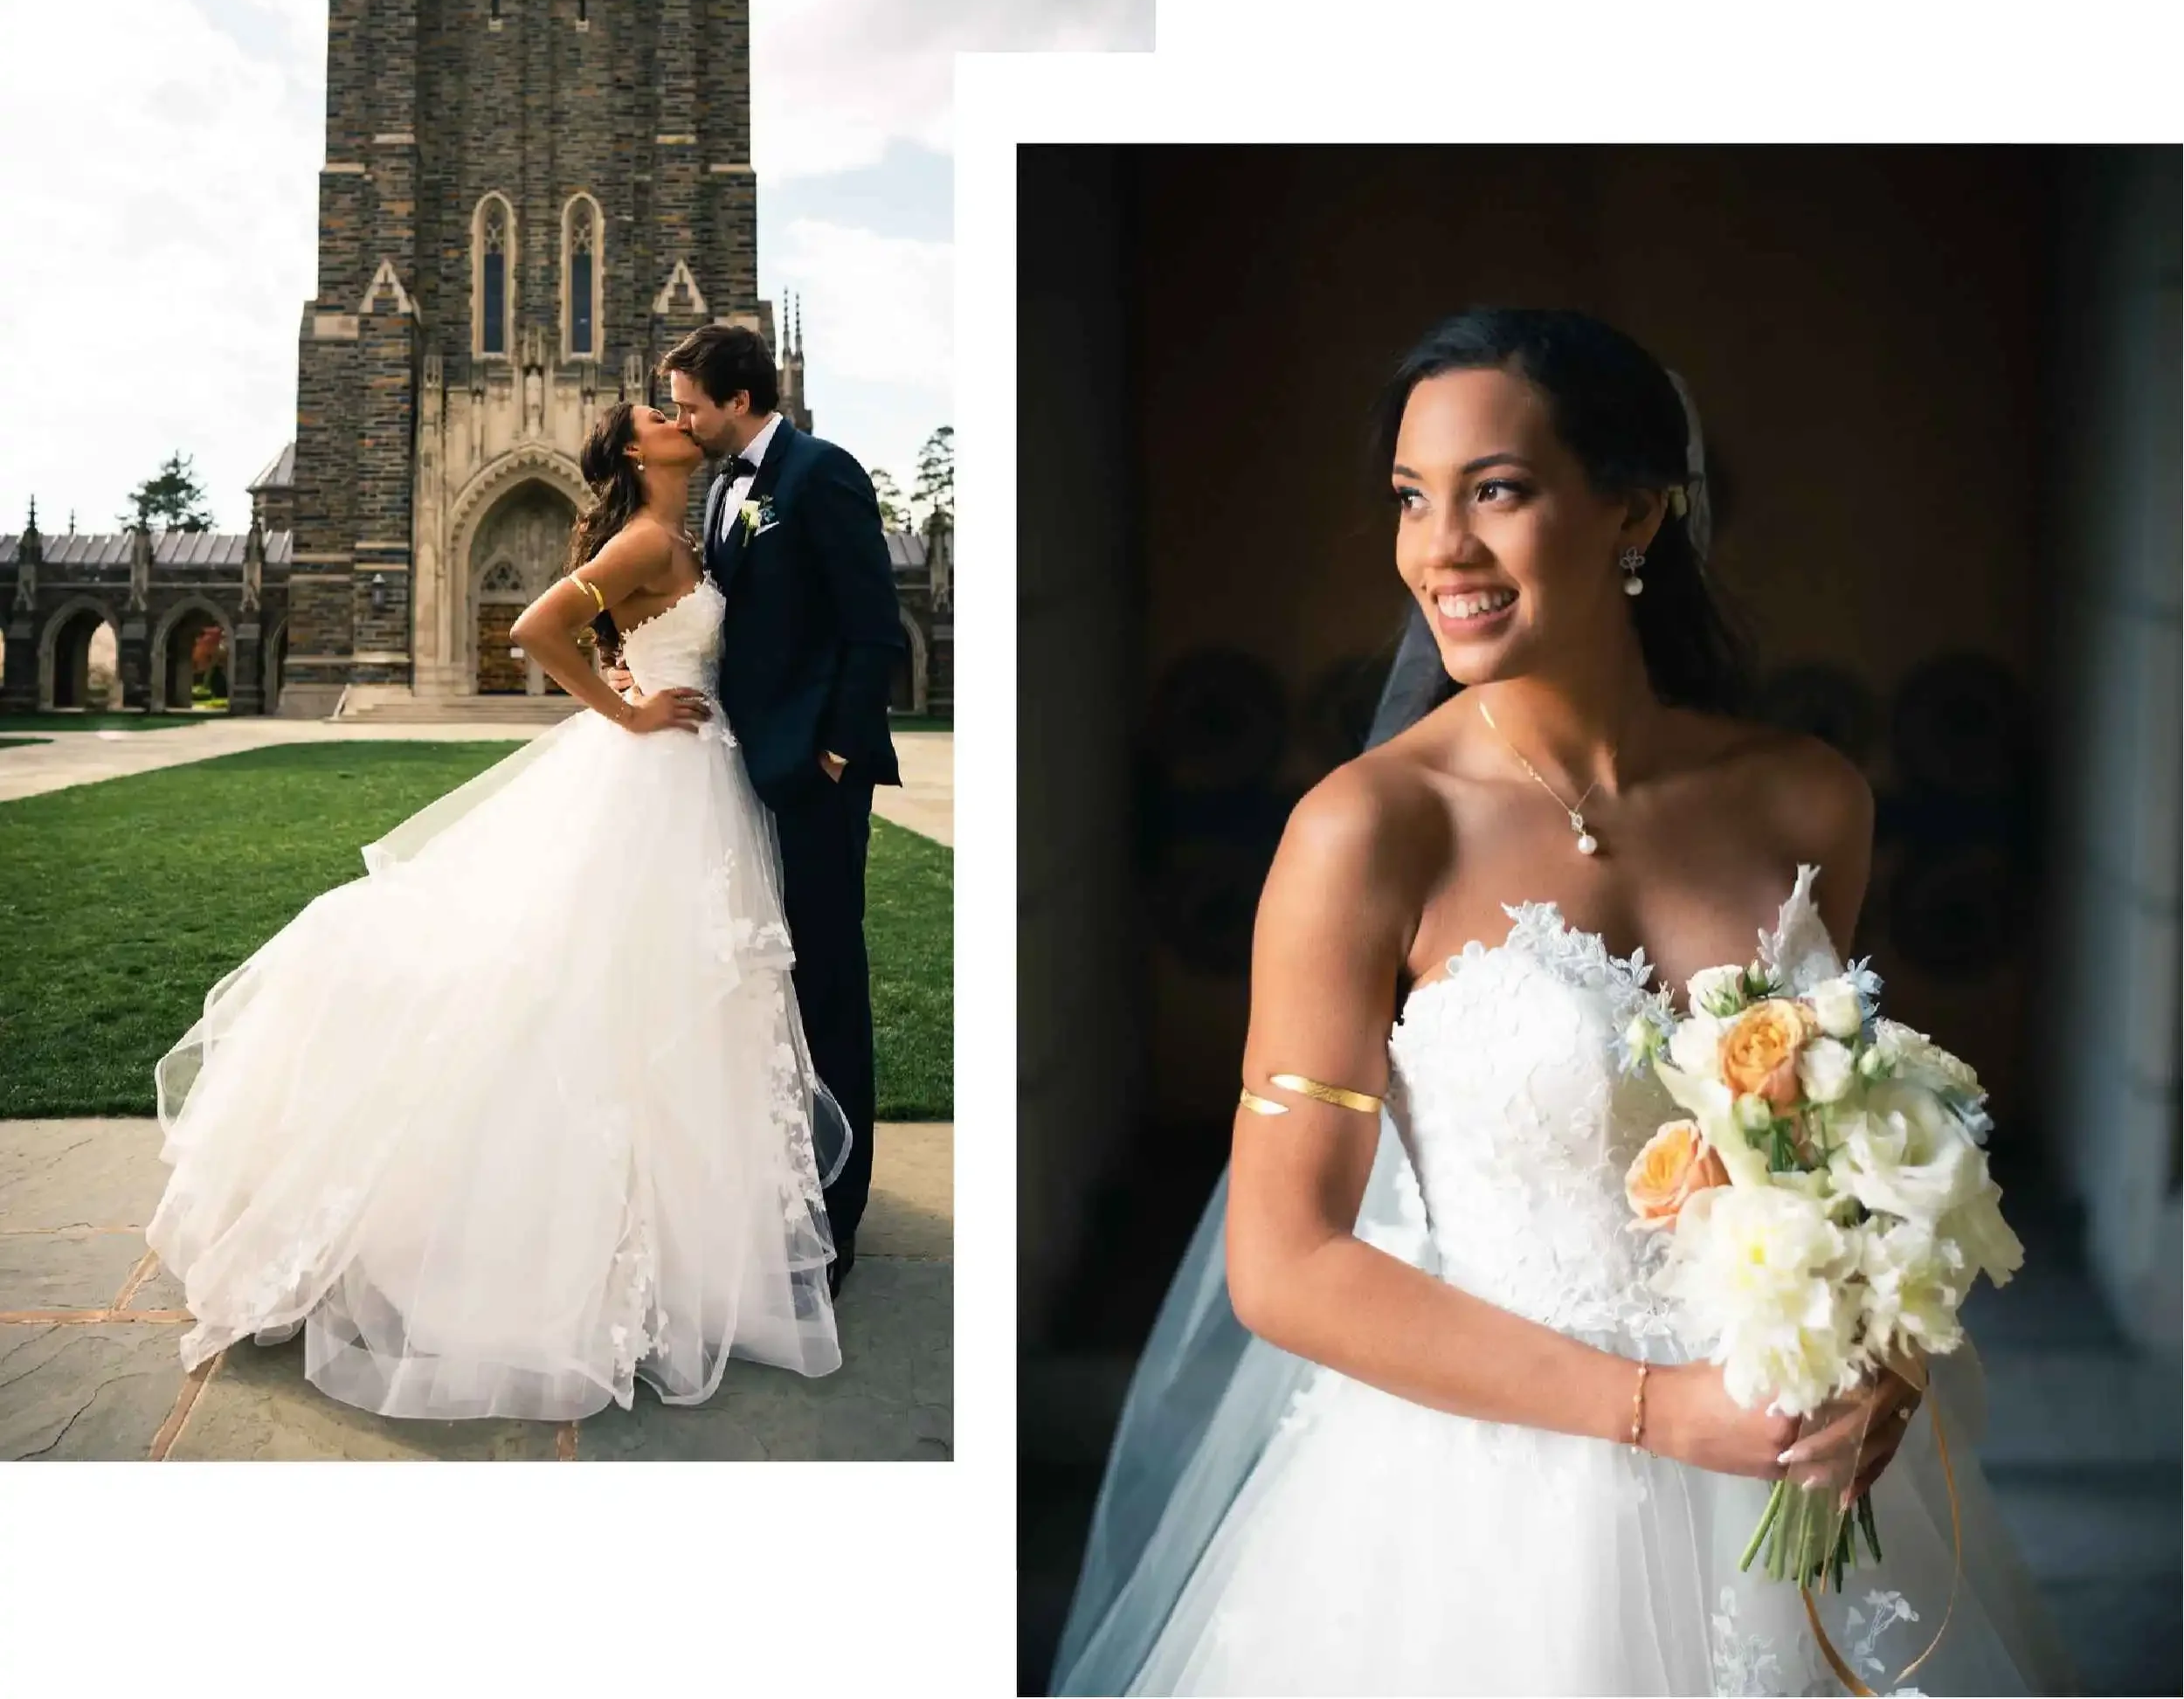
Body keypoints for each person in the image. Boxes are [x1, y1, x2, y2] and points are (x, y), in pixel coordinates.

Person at [1052, 308, 2074, 1695]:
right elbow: (1283, 1263)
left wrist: (1879, 1347)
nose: (1441, 550)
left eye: (1499, 491)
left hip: (1782, 1490)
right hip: (1483, 1512)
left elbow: (1832, 1156)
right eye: (1413, 500)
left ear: (1636, 512)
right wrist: (1662, 1416)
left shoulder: (1808, 796)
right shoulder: (1367, 832)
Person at [146, 400, 847, 1422]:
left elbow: (634, 630)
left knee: (653, 999)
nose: (676, 414)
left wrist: (636, 672)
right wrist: (628, 708)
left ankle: (654, 1230)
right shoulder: (650, 534)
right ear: (635, 452)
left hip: (692, 785)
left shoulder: (678, 536)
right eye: (660, 413)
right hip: (653, 776)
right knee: (604, 989)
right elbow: (533, 626)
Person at [627, 323, 903, 1295]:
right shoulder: (719, 493)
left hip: (813, 777)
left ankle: (841, 1212)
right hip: (744, 769)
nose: (682, 416)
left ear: (738, 398)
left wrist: (835, 747)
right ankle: (783, 1175)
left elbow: (872, 625)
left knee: (826, 980)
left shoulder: (820, 472)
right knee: (763, 979)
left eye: (689, 401)